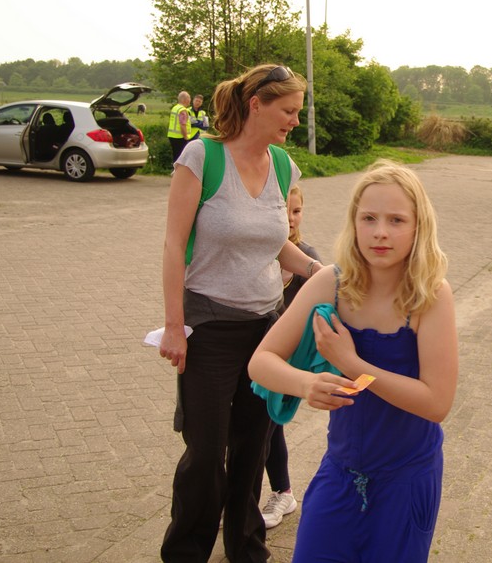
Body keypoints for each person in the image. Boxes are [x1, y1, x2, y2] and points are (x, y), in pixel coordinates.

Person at [248, 160, 458, 563]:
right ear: (354, 223)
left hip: (406, 482)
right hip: (340, 474)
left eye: (397, 220)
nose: (380, 232)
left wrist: (351, 362)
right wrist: (306, 384)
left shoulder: (431, 294)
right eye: (369, 218)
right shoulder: (332, 281)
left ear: (419, 226)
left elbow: (437, 403)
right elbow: (261, 362)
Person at [158, 64, 323, 563]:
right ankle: (186, 551)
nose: (295, 120)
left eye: (297, 111)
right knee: (206, 452)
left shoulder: (283, 165)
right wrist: (174, 327)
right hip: (208, 324)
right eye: (288, 110)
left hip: (266, 329)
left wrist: (319, 272)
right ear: (256, 105)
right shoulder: (202, 157)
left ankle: (247, 550)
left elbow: (277, 245)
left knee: (253, 449)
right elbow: (173, 244)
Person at [259, 184, 320, 530]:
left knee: (269, 425)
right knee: (257, 427)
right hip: (257, 352)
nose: (291, 218)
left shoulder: (307, 258)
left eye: (296, 211)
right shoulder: (259, 252)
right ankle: (241, 496)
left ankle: (283, 492)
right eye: (284, 211)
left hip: (287, 360)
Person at [167, 91, 192, 162]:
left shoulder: (175, 108)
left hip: (172, 135)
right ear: (185, 99)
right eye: (189, 98)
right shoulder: (182, 110)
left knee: (175, 156)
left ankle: (175, 168)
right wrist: (186, 137)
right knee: (181, 158)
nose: (190, 100)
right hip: (180, 137)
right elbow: (182, 125)